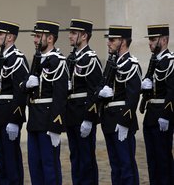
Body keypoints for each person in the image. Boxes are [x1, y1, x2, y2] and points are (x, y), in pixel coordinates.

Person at [21, 20, 68, 185]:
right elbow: (25, 86)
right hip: (34, 118)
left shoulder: (58, 61)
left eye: (38, 36)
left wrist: (56, 126)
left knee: (50, 166)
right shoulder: (37, 59)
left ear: (50, 39)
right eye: (35, 36)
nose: (35, 40)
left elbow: (61, 96)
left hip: (48, 120)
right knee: (35, 165)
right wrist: (26, 84)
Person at [0, 20, 29, 184]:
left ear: (10, 37)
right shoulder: (0, 58)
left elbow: (20, 92)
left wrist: (15, 120)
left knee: (11, 160)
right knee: (2, 160)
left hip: (9, 114)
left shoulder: (17, 59)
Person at [99, 25, 141, 185]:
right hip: (109, 121)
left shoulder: (132, 65)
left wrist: (124, 123)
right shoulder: (111, 64)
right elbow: (99, 87)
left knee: (127, 166)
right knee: (115, 167)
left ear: (122, 42)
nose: (108, 43)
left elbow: (133, 97)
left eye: (112, 40)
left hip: (122, 122)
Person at [65, 19, 102, 185]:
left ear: (84, 36)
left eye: (74, 33)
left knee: (86, 158)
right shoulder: (71, 58)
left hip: (83, 114)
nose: (70, 36)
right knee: (75, 157)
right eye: (70, 33)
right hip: (71, 114)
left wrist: (89, 118)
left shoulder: (91, 59)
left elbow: (95, 91)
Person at [141, 24, 174, 185]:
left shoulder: (170, 61)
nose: (150, 43)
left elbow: (172, 90)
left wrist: (166, 115)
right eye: (150, 40)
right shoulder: (154, 61)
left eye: (153, 40)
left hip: (162, 116)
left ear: (165, 40)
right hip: (150, 116)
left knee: (164, 159)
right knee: (152, 160)